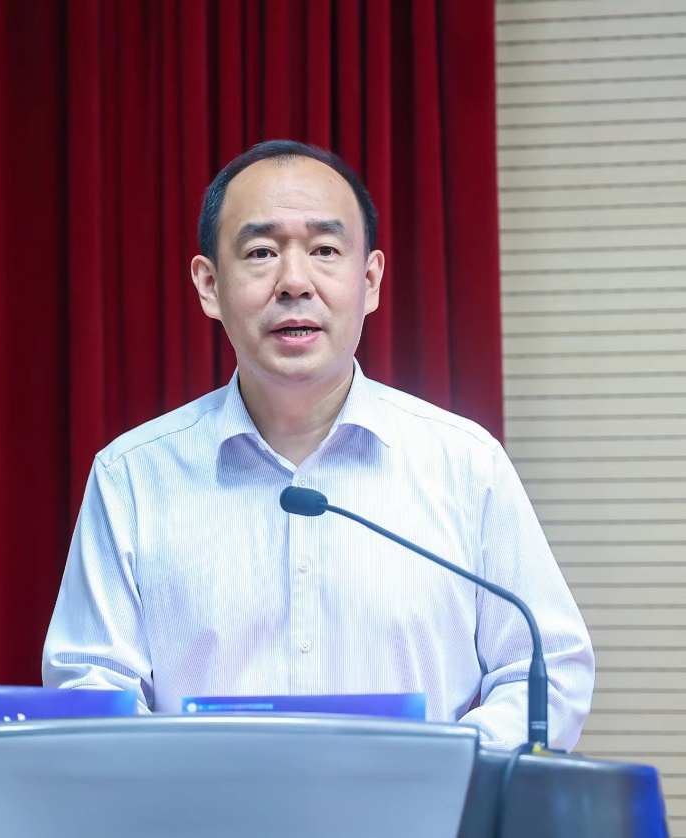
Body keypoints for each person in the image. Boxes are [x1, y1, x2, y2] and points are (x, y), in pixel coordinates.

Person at [43, 140, 594, 750]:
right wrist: (188, 783)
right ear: (209, 285)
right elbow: (90, 684)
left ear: (370, 280)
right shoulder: (131, 477)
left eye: (325, 250)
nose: (294, 282)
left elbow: (548, 670)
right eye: (261, 252)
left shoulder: (466, 464)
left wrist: (447, 774)